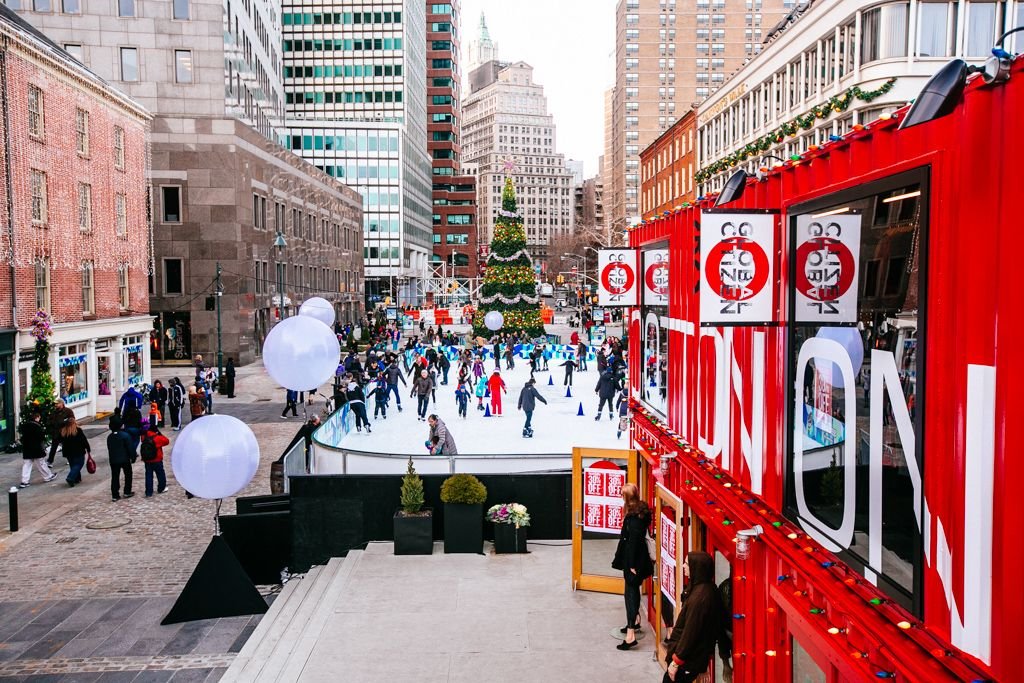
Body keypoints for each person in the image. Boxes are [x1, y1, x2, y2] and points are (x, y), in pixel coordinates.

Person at [663, 552, 730, 683]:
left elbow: (690, 633)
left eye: (687, 564)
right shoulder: (708, 589)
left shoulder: (699, 599)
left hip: (686, 661)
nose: (683, 566)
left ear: (696, 568)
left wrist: (676, 662)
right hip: (694, 660)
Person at [611, 482, 653, 651]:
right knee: (632, 590)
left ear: (627, 498)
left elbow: (633, 541)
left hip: (633, 560)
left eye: (622, 495)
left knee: (630, 593)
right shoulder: (641, 512)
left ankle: (630, 635)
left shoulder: (634, 518)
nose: (621, 497)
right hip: (636, 557)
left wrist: (632, 565)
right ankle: (634, 622)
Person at [50, 415, 91, 487]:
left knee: (73, 465)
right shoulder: (77, 430)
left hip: (68, 451)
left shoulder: (63, 431)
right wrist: (88, 448)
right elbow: (84, 440)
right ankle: (71, 477)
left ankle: (77, 478)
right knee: (79, 464)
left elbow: (58, 439)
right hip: (78, 450)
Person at [18, 411, 56, 487]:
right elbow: (41, 438)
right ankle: (48, 476)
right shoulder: (37, 426)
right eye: (39, 418)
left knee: (27, 465)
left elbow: (22, 438)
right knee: (41, 464)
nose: (39, 419)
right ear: (36, 418)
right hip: (36, 448)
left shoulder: (24, 426)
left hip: (27, 448)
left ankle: (24, 481)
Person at [106, 417, 136, 501]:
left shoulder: (110, 437)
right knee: (128, 474)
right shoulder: (125, 436)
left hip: (114, 460)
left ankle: (115, 494)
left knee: (115, 476)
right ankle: (127, 491)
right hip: (125, 459)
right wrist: (133, 457)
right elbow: (130, 448)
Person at [140, 421, 169, 497]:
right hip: (157, 459)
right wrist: (159, 433)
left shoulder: (144, 437)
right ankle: (161, 488)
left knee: (148, 475)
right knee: (160, 474)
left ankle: (149, 492)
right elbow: (166, 441)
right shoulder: (157, 438)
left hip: (147, 459)